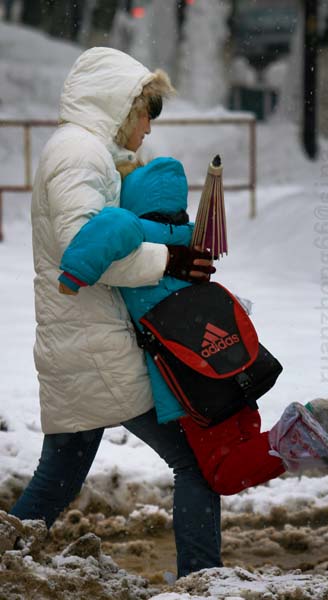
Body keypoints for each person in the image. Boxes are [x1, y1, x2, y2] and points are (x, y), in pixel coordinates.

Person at [10, 47, 222, 579]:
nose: (150, 126)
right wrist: (170, 257)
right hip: (95, 344)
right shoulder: (80, 154)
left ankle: (6, 562)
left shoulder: (81, 151)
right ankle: (202, 582)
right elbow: (85, 248)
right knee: (196, 461)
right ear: (122, 105)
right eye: (147, 111)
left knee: (57, 478)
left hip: (79, 340)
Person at [57, 156, 328, 494]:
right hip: (233, 366)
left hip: (195, 378)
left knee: (223, 473)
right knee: (245, 449)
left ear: (135, 201)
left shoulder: (136, 231)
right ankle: (311, 435)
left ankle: (308, 429)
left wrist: (74, 273)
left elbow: (111, 225)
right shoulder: (191, 238)